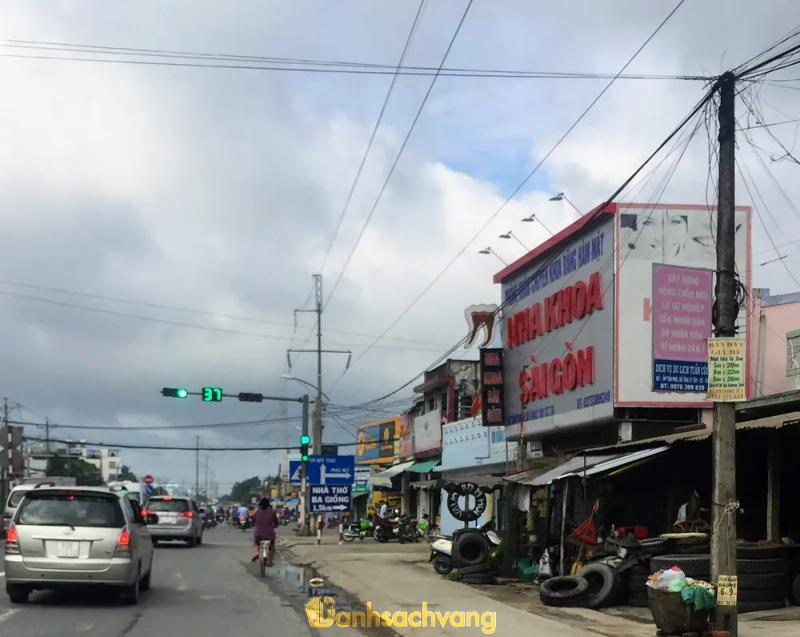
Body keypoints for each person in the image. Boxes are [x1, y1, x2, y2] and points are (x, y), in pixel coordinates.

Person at [251, 497, 279, 565]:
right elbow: (276, 522)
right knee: (272, 547)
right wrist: (275, 525)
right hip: (269, 534)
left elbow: (253, 521)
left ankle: (257, 553)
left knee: (256, 543)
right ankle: (270, 561)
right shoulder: (272, 512)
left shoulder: (257, 512)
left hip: (258, 534)